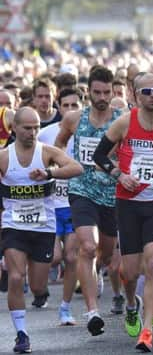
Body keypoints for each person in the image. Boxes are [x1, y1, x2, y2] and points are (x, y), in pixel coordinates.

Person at [93, 73, 153, 352]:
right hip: (128, 203)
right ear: (136, 95)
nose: (152, 96)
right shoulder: (124, 122)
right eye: (146, 91)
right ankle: (131, 304)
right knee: (129, 271)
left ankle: (146, 331)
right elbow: (99, 155)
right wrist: (119, 175)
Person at [1, 107, 83, 353]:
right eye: (27, 128)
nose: (33, 132)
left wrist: (50, 173)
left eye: (36, 127)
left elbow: (76, 168)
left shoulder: (46, 152)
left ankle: (39, 292)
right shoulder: (5, 157)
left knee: (38, 286)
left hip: (43, 227)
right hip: (13, 225)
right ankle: (22, 334)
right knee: (16, 277)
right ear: (14, 128)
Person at [55, 65, 122, 336]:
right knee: (87, 246)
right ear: (89, 92)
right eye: (97, 92)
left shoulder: (122, 119)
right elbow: (58, 145)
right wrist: (67, 164)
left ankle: (96, 277)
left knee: (105, 254)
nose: (103, 96)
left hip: (112, 193)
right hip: (81, 189)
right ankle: (92, 311)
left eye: (107, 91)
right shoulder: (74, 119)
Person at [37, 88, 82, 326]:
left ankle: (65, 308)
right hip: (51, 204)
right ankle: (40, 285)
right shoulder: (45, 134)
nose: (70, 110)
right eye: (66, 105)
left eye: (75, 105)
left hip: (75, 202)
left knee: (72, 257)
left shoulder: (85, 131)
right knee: (54, 257)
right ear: (59, 107)